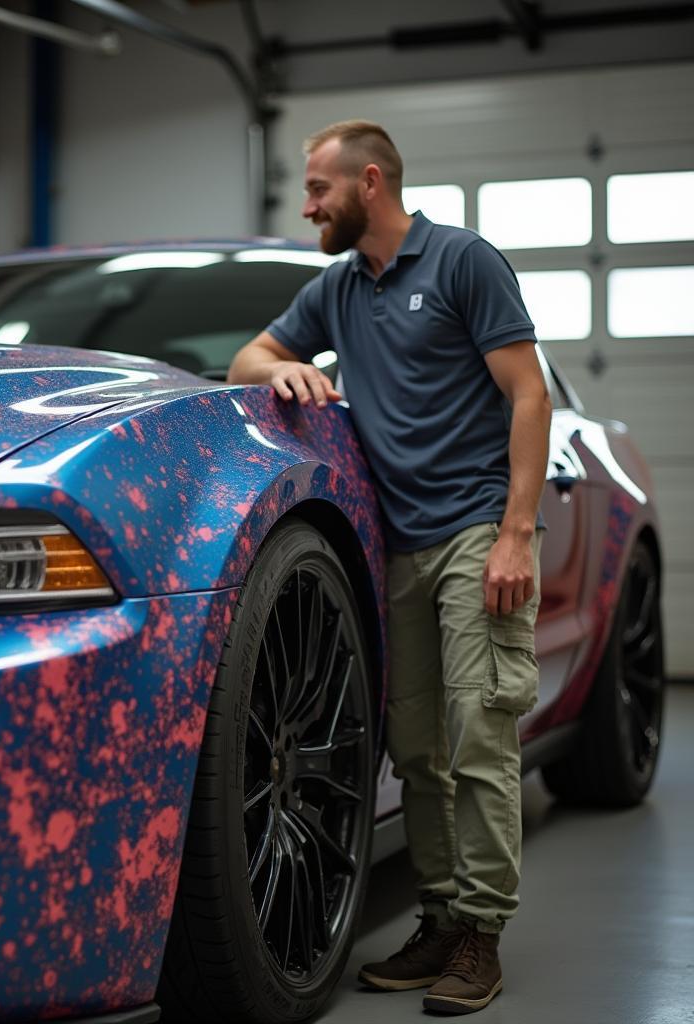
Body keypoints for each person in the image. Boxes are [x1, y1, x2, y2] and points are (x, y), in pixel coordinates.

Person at [227, 119, 551, 1016]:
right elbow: (251, 353)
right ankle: (441, 919)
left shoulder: (461, 263)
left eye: (319, 189)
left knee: (479, 734)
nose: (308, 206)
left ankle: (482, 933)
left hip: (475, 530)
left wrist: (516, 532)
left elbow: (530, 392)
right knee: (414, 750)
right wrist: (284, 372)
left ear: (369, 182)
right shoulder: (339, 289)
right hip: (398, 546)